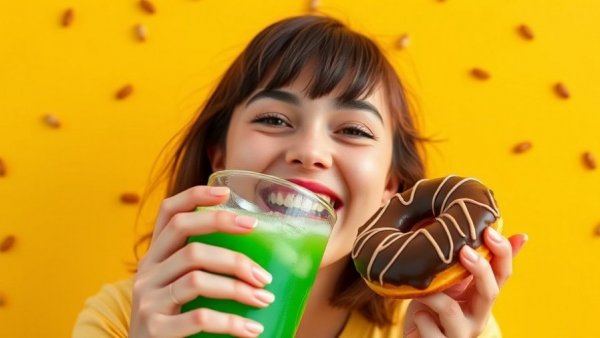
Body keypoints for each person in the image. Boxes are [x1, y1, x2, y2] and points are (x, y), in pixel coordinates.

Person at [73, 15, 527, 338]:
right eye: (273, 120)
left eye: (353, 129)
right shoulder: (128, 317)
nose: (310, 153)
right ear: (219, 162)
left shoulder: (442, 329)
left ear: (390, 188)